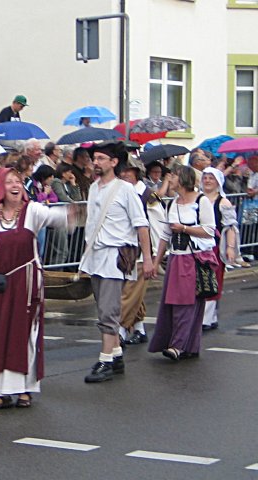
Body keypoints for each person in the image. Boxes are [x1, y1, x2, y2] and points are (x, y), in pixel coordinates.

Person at [0, 168, 73, 410]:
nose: (15, 185)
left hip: (26, 283)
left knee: (24, 335)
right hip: (0, 284)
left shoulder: (32, 211)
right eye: (9, 181)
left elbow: (58, 217)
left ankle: (24, 389)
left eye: (18, 181)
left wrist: (81, 211)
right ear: (1, 187)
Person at [79, 141, 153, 383]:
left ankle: (105, 360)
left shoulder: (125, 189)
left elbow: (141, 225)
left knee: (108, 311)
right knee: (102, 305)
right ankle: (117, 355)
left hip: (115, 256)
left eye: (101, 158)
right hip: (96, 256)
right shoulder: (93, 188)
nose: (96, 163)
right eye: (95, 158)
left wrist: (148, 259)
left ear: (113, 162)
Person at [148, 165, 217, 361]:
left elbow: (210, 230)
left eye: (175, 175)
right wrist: (156, 261)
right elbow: (165, 235)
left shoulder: (201, 201)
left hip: (192, 258)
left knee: (186, 303)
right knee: (172, 302)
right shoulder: (172, 203)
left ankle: (178, 345)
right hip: (176, 258)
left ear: (184, 178)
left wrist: (185, 228)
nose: (171, 178)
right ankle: (184, 345)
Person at [118, 158, 166, 345]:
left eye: (127, 171)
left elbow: (158, 227)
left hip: (141, 252)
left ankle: (120, 331)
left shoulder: (148, 196)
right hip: (125, 251)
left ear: (136, 173)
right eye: (121, 171)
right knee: (131, 291)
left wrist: (154, 256)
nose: (123, 174)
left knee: (129, 292)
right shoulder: (123, 193)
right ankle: (139, 329)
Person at [200, 167, 240, 331]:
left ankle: (207, 319)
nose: (208, 181)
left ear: (218, 182)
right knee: (201, 282)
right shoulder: (198, 199)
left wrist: (230, 248)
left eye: (211, 178)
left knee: (213, 281)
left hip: (215, 247)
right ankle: (210, 316)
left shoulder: (223, 202)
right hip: (199, 246)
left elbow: (230, 227)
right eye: (205, 177)